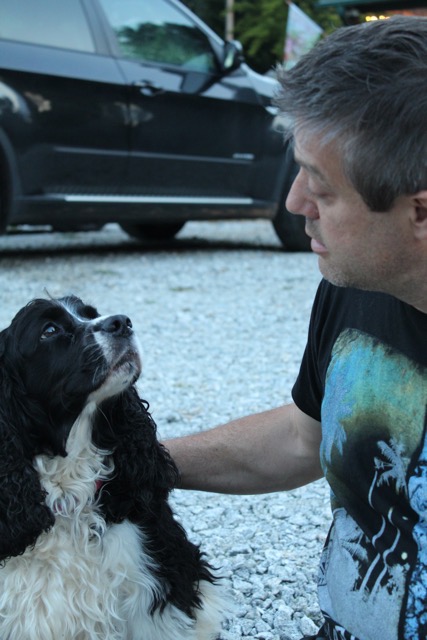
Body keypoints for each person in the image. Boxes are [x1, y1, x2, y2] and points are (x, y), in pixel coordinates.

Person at [165, 16, 427, 640]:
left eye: (323, 189)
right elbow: (303, 439)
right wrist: (130, 463)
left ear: (420, 210)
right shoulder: (354, 284)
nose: (293, 203)